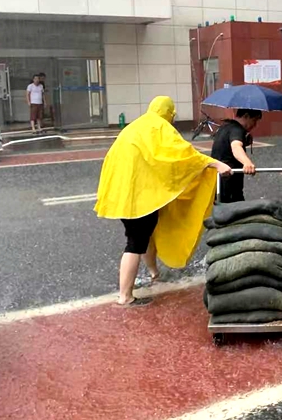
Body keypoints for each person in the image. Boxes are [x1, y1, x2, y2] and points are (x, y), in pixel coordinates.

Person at [95, 96, 231, 306]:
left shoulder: (136, 126)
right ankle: (125, 296)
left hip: (121, 192)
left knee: (145, 236)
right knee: (135, 243)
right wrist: (214, 163)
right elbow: (182, 154)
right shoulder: (160, 127)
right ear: (169, 113)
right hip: (139, 197)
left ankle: (154, 273)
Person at [210, 109, 261, 203]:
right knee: (235, 207)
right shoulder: (237, 130)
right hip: (229, 181)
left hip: (217, 179)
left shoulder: (225, 127)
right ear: (246, 116)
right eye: (254, 120)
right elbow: (236, 147)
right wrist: (247, 162)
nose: (255, 125)